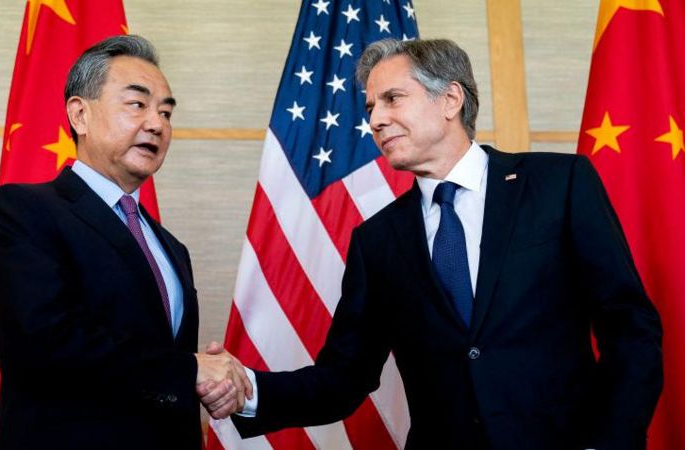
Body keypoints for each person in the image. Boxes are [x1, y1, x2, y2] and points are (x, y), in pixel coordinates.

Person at [203, 38, 663, 450]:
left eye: (392, 99)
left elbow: (630, 327)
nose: (376, 120)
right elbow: (343, 379)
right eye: (370, 108)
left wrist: (611, 441)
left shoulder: (558, 184)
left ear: (450, 99)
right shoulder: (376, 241)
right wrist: (248, 389)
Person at [0, 35, 249, 450]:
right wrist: (188, 370)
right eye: (137, 104)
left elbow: (163, 373)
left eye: (166, 112)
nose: (157, 124)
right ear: (80, 115)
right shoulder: (21, 210)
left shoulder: (172, 248)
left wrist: (212, 384)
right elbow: (46, 341)